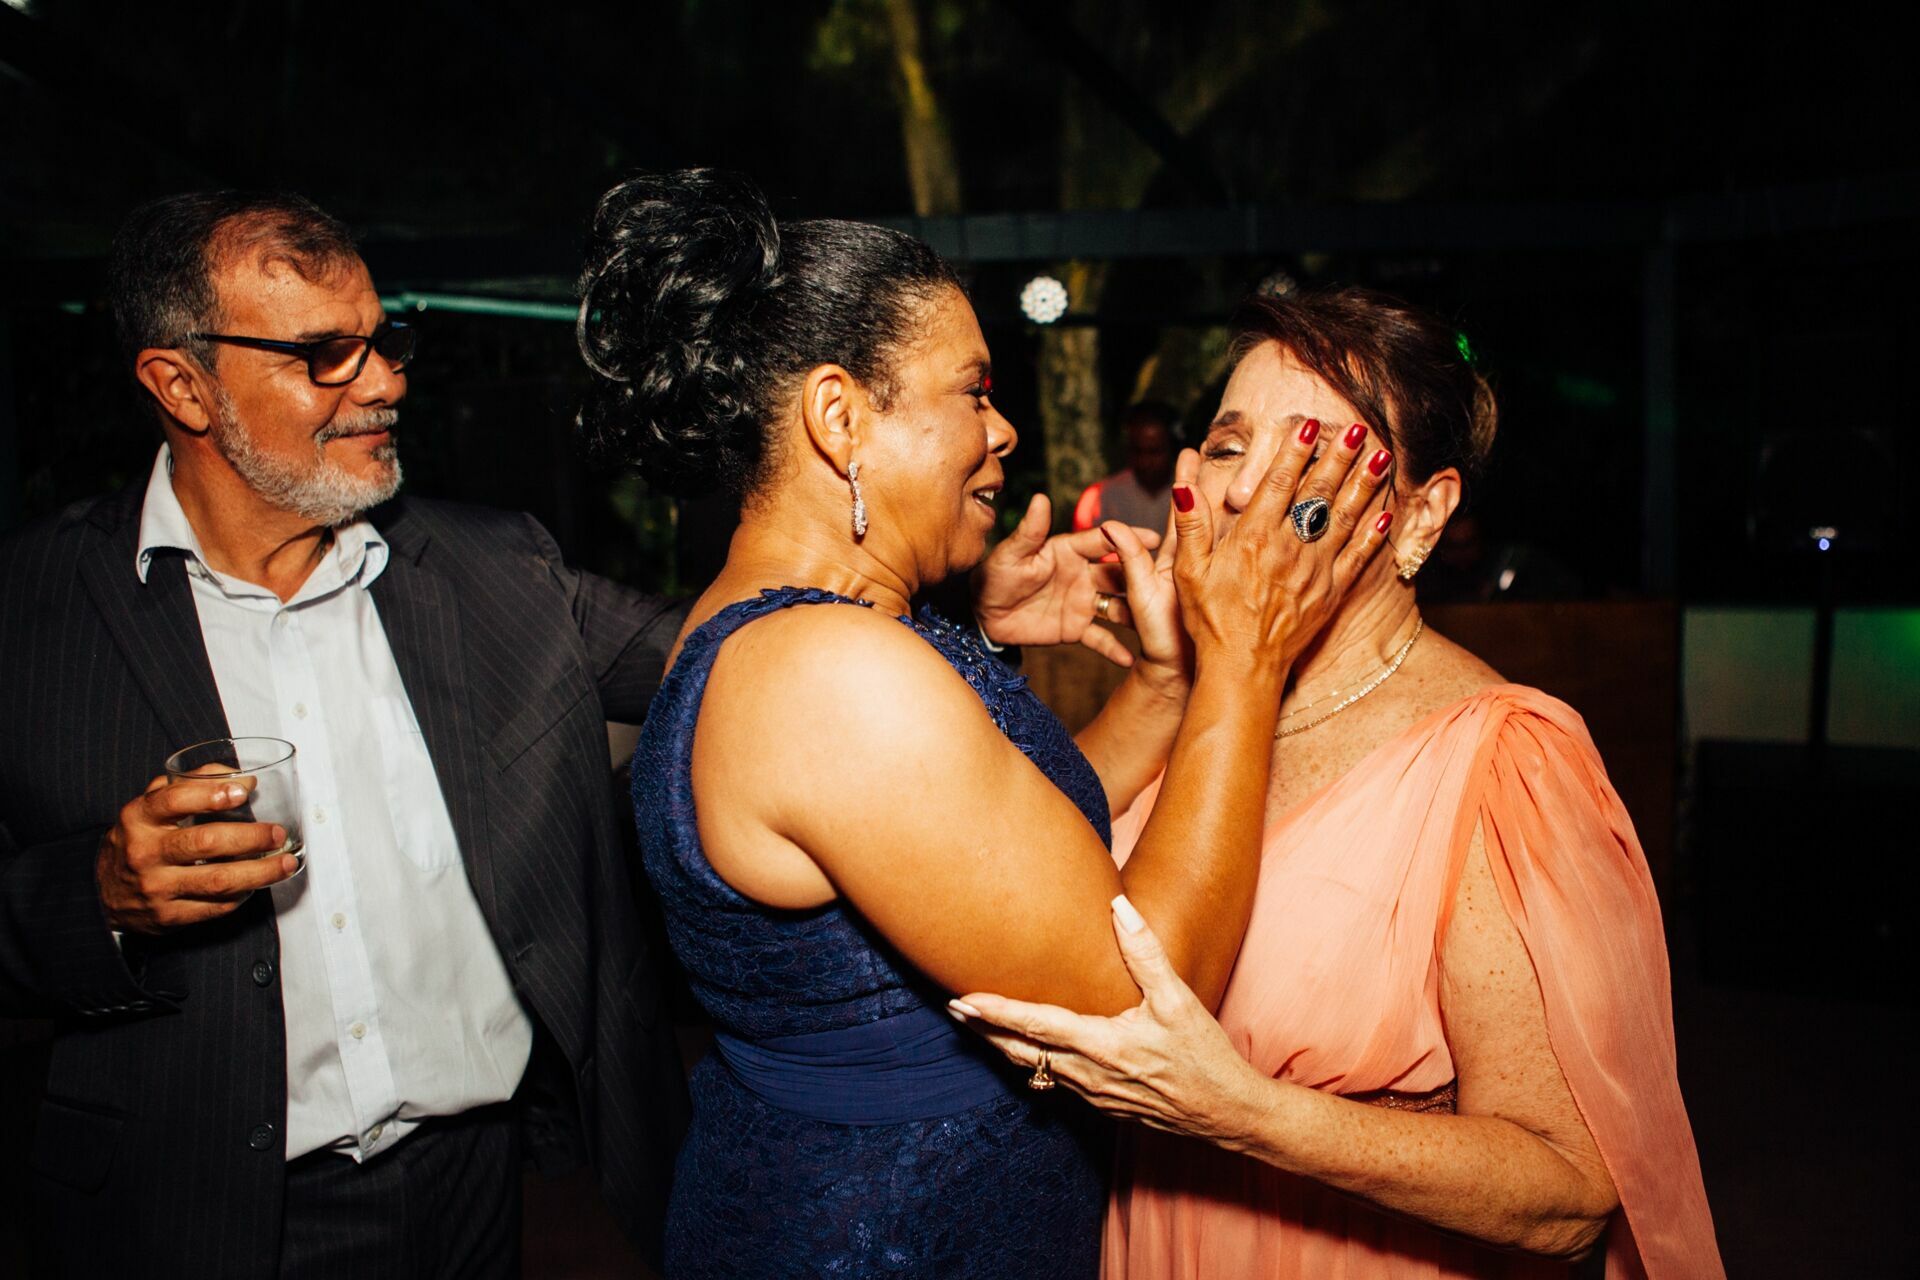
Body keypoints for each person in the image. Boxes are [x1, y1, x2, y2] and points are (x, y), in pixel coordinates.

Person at [0, 189, 1128, 1278]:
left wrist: (967, 612)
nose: (385, 379)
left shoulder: (497, 569)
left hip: (486, 1194)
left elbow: (759, 656)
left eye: (386, 338)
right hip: (177, 1207)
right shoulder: (34, 610)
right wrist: (93, 894)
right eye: (325, 354)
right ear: (181, 384)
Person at [580, 170, 1395, 1278]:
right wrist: (1244, 661)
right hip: (887, 1234)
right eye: (973, 389)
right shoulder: (831, 673)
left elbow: (1010, 869)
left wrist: (1160, 687)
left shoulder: (781, 626)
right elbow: (1143, 997)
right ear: (840, 417)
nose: (1004, 429)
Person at [954, 287, 1725, 1278]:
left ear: (1423, 514)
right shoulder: (1191, 702)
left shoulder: (1503, 762)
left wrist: (1245, 1111)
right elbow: (1019, 892)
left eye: (1310, 452)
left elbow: (1568, 1189)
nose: (1245, 490)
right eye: (1229, 446)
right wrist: (987, 642)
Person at [1073, 401, 1180, 533]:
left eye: (1155, 452)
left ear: (1173, 449)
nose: (1145, 462)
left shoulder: (1190, 491)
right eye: (1138, 451)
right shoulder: (1104, 495)